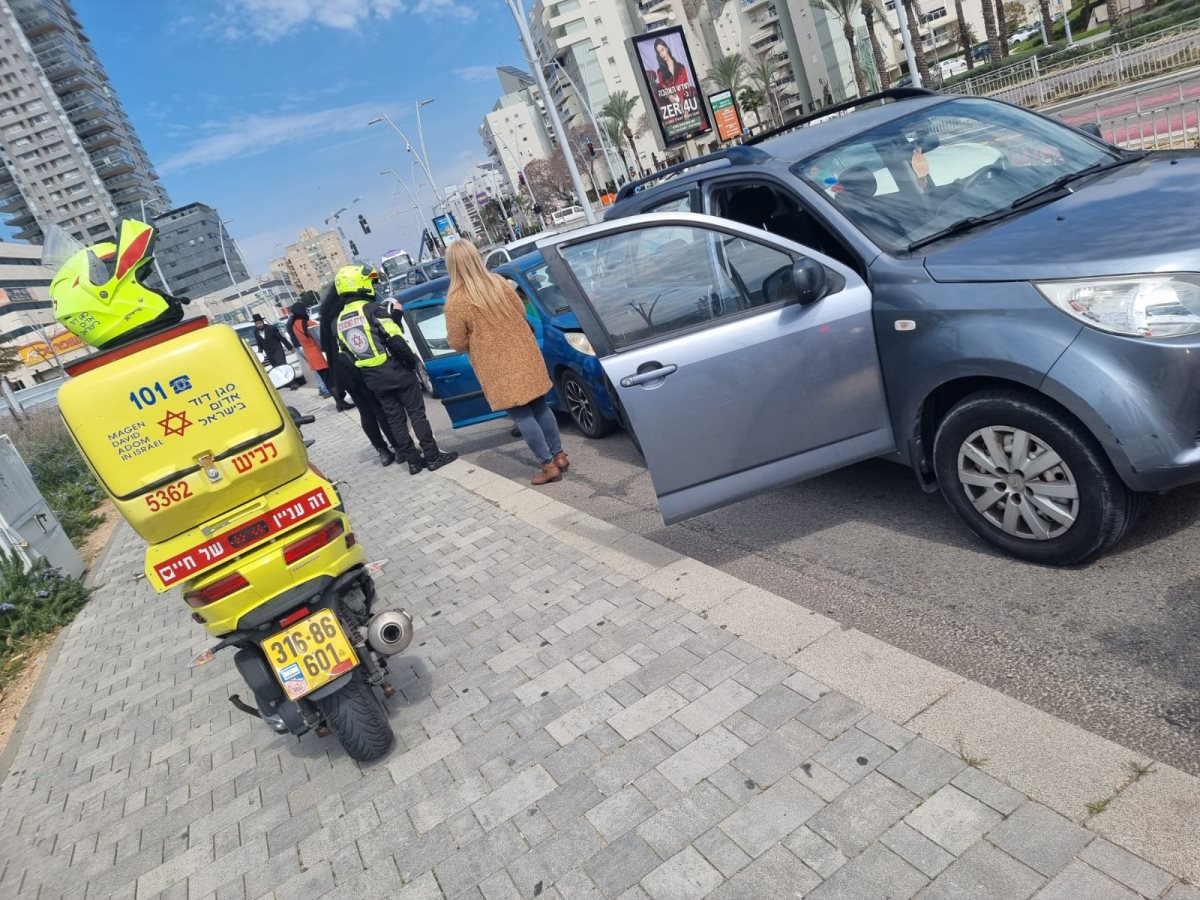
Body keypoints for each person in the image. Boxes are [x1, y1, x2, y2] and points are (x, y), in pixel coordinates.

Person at [444, 240, 567, 485]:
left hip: (496, 367)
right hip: (524, 353)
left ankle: (547, 465)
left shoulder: (456, 301)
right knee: (540, 406)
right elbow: (521, 311)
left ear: (452, 266)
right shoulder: (498, 282)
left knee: (522, 415)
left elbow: (457, 342)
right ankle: (559, 455)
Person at [330, 265, 457, 475]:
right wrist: (410, 363)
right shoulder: (373, 309)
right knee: (416, 414)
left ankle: (414, 462)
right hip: (396, 370)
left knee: (395, 419)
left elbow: (346, 355)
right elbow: (396, 339)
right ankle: (433, 456)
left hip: (373, 378)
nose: (371, 285)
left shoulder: (338, 322)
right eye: (369, 282)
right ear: (359, 284)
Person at [285, 301, 336, 401]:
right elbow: (320, 339)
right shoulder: (308, 323)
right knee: (331, 380)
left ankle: (335, 399)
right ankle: (340, 401)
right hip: (318, 354)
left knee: (325, 379)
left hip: (309, 354)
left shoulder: (294, 325)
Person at [252, 313, 298, 390]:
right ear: (255, 324)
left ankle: (293, 384)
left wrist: (290, 347)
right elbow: (259, 344)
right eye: (257, 324)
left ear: (262, 322)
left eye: (260, 323)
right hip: (269, 354)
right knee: (277, 369)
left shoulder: (271, 328)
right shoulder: (255, 332)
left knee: (283, 366)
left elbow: (281, 338)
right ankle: (286, 383)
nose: (259, 325)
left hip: (278, 350)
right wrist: (259, 355)